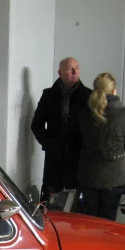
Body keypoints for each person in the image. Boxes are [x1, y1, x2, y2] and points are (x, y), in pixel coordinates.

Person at [31, 57, 92, 202]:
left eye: (77, 68)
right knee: (52, 203)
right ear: (60, 72)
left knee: (77, 204)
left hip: (78, 158)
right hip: (55, 158)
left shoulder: (88, 96)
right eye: (70, 68)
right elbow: (36, 124)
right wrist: (49, 144)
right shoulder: (49, 95)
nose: (74, 71)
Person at [77, 73, 125, 221]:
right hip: (114, 175)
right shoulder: (124, 115)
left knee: (90, 220)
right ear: (114, 90)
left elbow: (78, 140)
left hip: (88, 174)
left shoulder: (84, 114)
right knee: (108, 220)